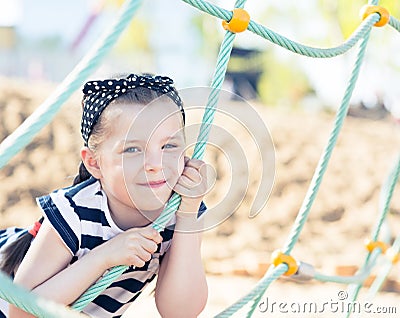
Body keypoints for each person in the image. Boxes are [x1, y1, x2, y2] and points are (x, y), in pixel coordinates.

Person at [2, 73, 209, 317]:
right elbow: (21, 312)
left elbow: (180, 312)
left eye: (169, 146)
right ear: (94, 163)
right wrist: (104, 256)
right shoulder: (73, 213)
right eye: (132, 149)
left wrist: (188, 215)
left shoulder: (182, 210)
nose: (155, 163)